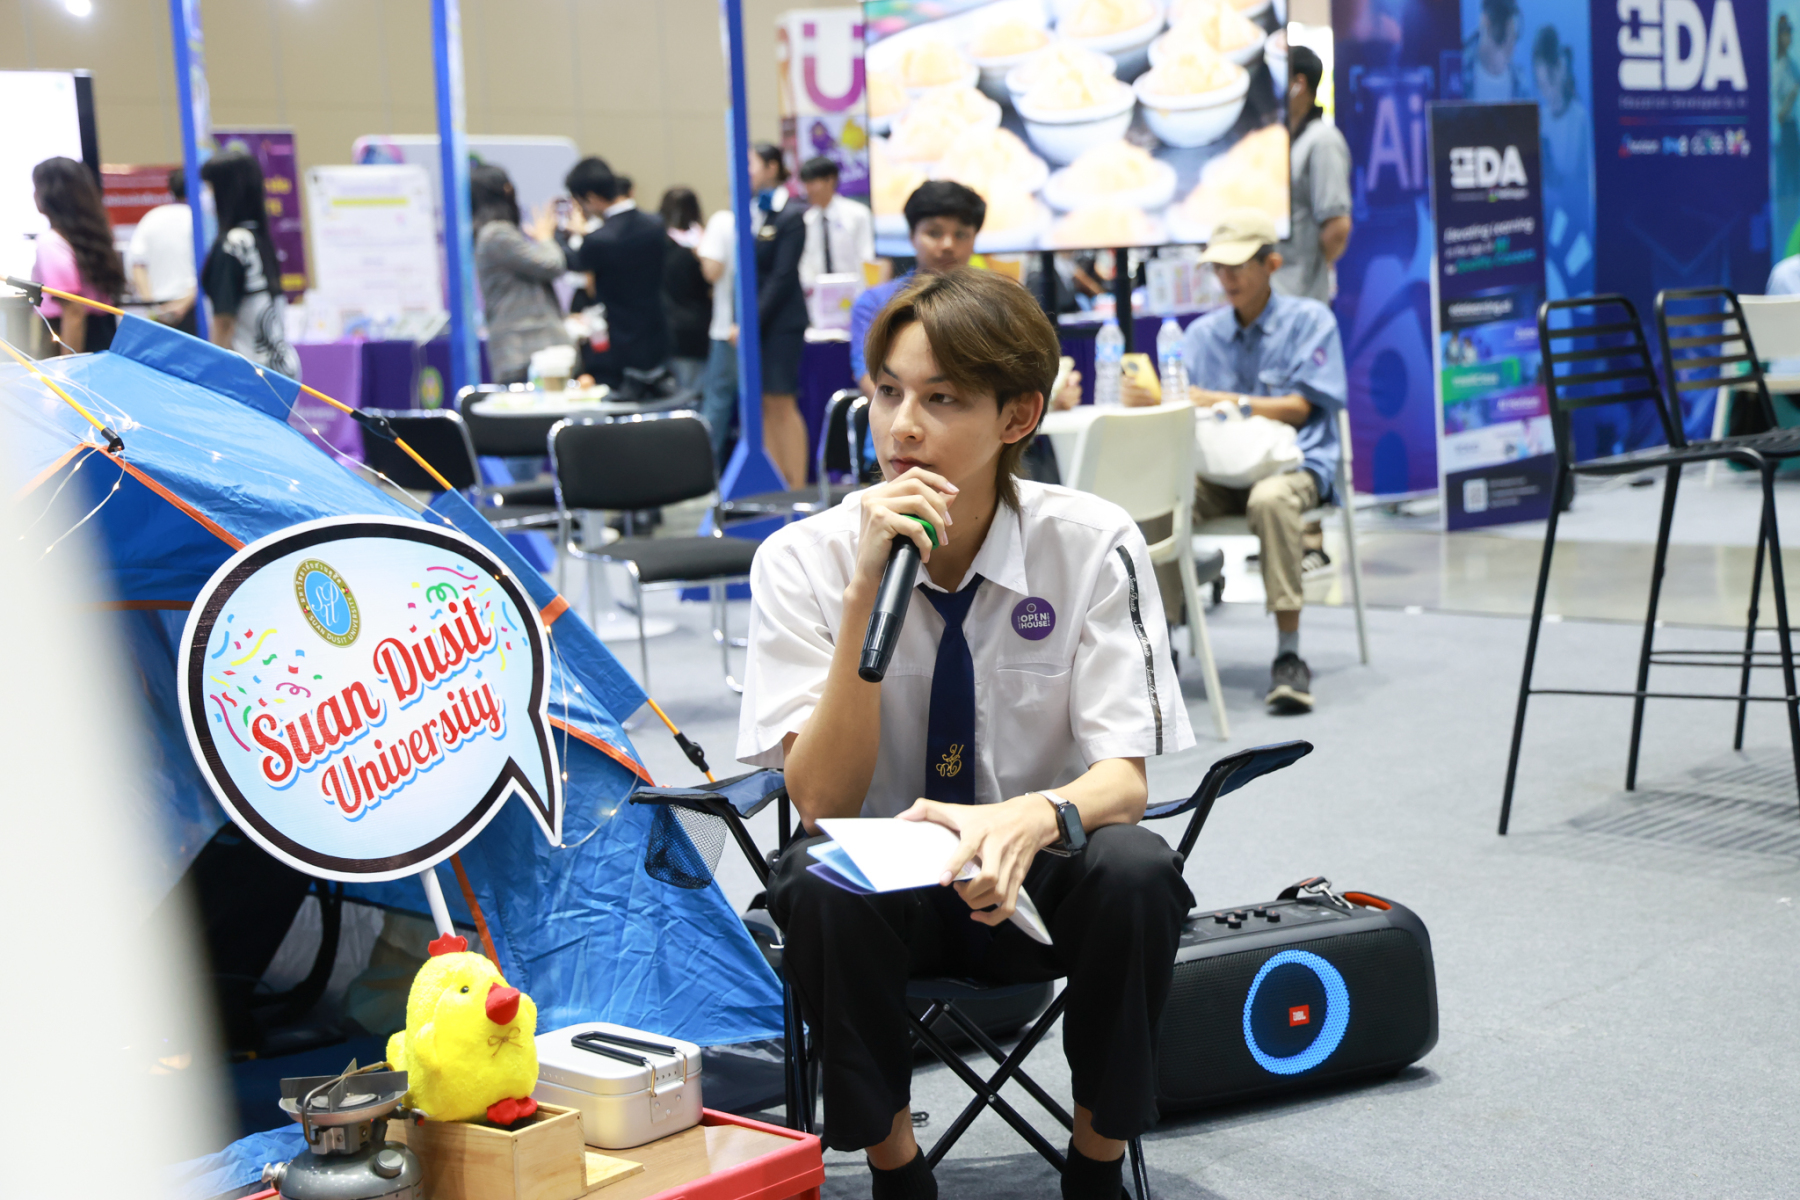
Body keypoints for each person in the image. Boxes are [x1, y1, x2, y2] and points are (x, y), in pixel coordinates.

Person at [741, 267, 1192, 1200]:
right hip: (887, 896)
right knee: (814, 876)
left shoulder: (1091, 542)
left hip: (1036, 881)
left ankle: (1097, 1167)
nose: (902, 427)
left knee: (1138, 867)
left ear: (1017, 416)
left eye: (941, 399)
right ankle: (897, 1170)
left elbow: (1124, 780)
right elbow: (818, 801)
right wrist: (866, 593)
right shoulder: (801, 560)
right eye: (887, 392)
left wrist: (1030, 818)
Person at [1125, 209, 1345, 715]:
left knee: (1270, 500)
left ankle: (1289, 655)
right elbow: (1184, 407)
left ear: (1271, 264)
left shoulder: (1311, 321)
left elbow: (1301, 408)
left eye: (1238, 266)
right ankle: (1166, 645)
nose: (1226, 278)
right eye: (1218, 268)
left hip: (1293, 465)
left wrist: (1226, 400)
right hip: (1219, 471)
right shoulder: (1199, 335)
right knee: (1154, 500)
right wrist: (1153, 398)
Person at [849, 180, 985, 397]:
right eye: (934, 233)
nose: (948, 245)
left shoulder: (993, 303)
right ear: (912, 236)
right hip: (899, 414)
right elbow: (869, 376)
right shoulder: (876, 303)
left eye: (960, 234)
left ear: (974, 239)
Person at [563, 156, 669, 388]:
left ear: (590, 197)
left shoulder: (598, 240)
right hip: (657, 337)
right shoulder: (656, 225)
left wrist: (553, 237)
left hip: (617, 347)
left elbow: (573, 262)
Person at [199, 150, 299, 378]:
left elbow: (224, 320)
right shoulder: (259, 237)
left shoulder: (233, 244)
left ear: (225, 192)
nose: (205, 196)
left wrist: (211, 372)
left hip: (250, 372)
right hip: (281, 367)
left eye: (209, 188)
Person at [747, 142, 812, 488]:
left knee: (782, 403)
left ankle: (797, 489)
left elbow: (782, 276)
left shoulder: (791, 214)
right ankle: (776, 485)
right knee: (764, 405)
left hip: (781, 323)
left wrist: (751, 322)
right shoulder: (754, 212)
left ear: (772, 167)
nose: (746, 173)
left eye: (751, 165)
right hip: (758, 324)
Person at [471, 162, 569, 386]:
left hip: (526, 353)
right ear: (505, 190)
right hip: (526, 351)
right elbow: (552, 264)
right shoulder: (497, 234)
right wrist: (545, 237)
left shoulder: (490, 234)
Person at [1274, 46, 1352, 304]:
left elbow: (1337, 227)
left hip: (1300, 297)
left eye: (1278, 77)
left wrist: (1309, 272)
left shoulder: (1323, 141)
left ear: (1299, 83)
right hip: (1274, 294)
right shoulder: (1286, 140)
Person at [30, 157, 125, 354]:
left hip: (68, 339)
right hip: (103, 338)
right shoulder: (94, 239)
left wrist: (68, 367)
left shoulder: (51, 242)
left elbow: (73, 311)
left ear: (49, 195)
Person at [1531, 24, 1594, 299]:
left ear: (1560, 71)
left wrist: (1545, 162)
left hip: (1576, 230)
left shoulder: (1579, 118)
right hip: (1547, 229)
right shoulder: (1540, 117)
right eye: (1540, 86)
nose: (1546, 93)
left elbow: (1569, 176)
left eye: (1549, 84)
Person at [127, 166, 197, 333]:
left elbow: (137, 265)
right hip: (192, 309)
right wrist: (182, 306)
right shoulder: (201, 221)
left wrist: (151, 307)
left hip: (158, 312)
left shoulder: (151, 218)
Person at [697, 204, 741, 465]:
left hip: (728, 332)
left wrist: (700, 252)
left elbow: (712, 271)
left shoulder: (722, 221)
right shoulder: (774, 217)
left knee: (717, 404)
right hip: (768, 330)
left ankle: (701, 469)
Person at [659, 186, 712, 394]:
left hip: (665, 327)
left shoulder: (655, 244)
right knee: (695, 394)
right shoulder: (701, 247)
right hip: (696, 327)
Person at [798, 155, 874, 291]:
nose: (808, 190)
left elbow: (866, 256)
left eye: (812, 183)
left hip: (854, 292)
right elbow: (805, 263)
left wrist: (863, 293)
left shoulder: (858, 214)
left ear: (830, 180)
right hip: (818, 295)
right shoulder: (807, 220)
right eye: (806, 184)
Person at [1462, 0, 1528, 102]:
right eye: (1503, 37)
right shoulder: (1457, 70)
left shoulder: (1520, 82)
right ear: (1485, 21)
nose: (1511, 46)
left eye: (1514, 37)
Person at [1780, 15, 1800, 256]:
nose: (1790, 37)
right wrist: (1793, 94)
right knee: (1789, 188)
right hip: (1786, 130)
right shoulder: (1780, 67)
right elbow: (1779, 114)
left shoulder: (1792, 64)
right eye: (1786, 32)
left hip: (1793, 129)